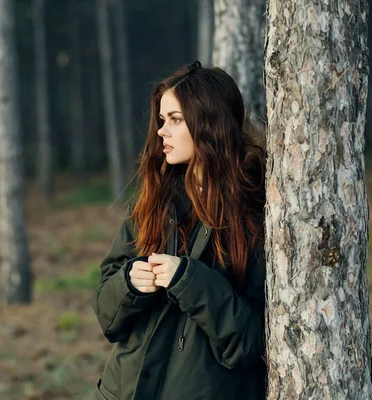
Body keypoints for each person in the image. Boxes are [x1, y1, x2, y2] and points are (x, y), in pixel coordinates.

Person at [92, 61, 267, 400]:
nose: (161, 132)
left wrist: (190, 281)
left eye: (175, 120)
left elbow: (251, 342)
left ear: (208, 124)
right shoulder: (153, 202)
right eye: (161, 121)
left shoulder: (255, 214)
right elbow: (106, 316)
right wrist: (129, 282)